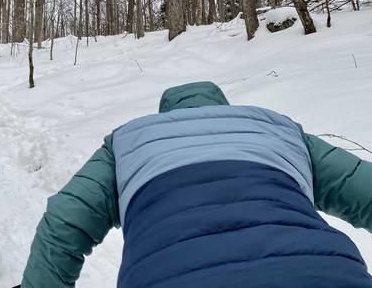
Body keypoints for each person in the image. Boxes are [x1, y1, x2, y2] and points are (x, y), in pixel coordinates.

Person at [19, 81, 372, 287]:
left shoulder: (129, 140)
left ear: (166, 114)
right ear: (223, 106)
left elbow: (65, 221)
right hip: (326, 273)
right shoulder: (275, 127)